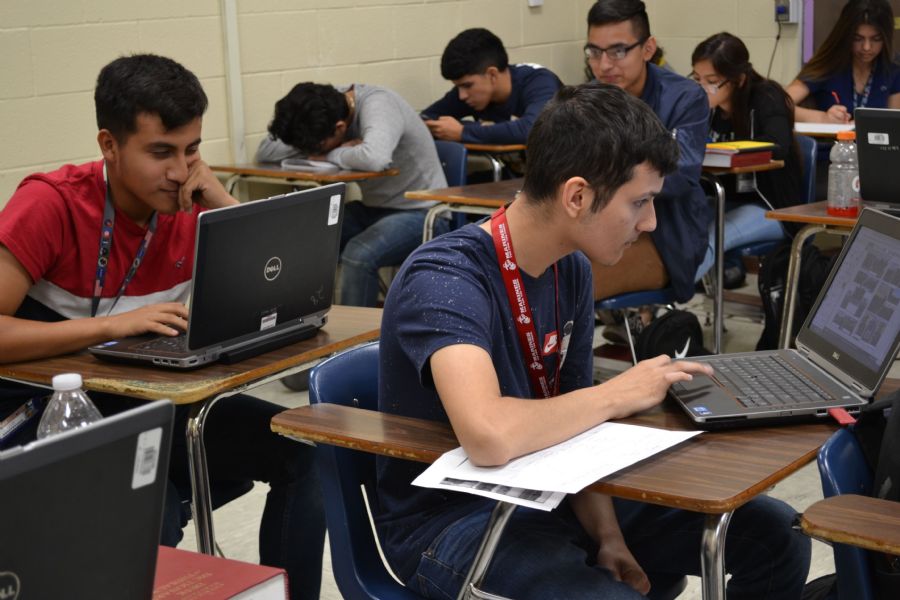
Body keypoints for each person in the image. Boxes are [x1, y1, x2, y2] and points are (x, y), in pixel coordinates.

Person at [374, 81, 811, 600]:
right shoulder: (445, 275)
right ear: (577, 196)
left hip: (554, 489)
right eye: (639, 202)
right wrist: (617, 393)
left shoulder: (572, 269)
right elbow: (488, 435)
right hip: (458, 520)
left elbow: (578, 422)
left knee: (778, 536)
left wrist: (609, 536)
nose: (650, 222)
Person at [0, 55, 324, 600]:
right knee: (155, 506)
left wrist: (222, 204)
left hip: (147, 402)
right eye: (160, 152)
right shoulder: (51, 204)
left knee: (304, 452)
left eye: (191, 149)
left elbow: (285, 292)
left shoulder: (192, 202)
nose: (179, 170)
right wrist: (111, 327)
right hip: (47, 412)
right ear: (109, 145)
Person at [256, 82, 447, 307]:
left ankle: (355, 330)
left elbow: (375, 158)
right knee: (303, 240)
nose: (313, 153)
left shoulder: (378, 103)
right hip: (372, 209)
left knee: (358, 255)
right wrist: (335, 148)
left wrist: (331, 154)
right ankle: (302, 319)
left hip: (424, 212)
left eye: (317, 147)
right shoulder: (319, 107)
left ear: (340, 128)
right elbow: (266, 151)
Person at [585, 0, 709, 304]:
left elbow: (679, 174)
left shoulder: (684, 97)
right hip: (595, 229)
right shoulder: (586, 99)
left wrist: (602, 176)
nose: (604, 65)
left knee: (567, 280)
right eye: (594, 52)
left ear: (648, 48)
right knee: (526, 264)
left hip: (663, 234)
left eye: (618, 51)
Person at [690, 32, 802, 284]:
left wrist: (731, 153)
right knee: (675, 225)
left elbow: (778, 146)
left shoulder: (767, 97)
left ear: (738, 80)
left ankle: (674, 294)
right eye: (697, 79)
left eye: (711, 81)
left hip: (770, 206)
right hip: (721, 199)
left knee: (712, 236)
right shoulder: (708, 108)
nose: (702, 88)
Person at [422, 27, 562, 145]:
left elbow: (532, 130)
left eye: (467, 85)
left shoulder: (540, 82)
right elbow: (425, 118)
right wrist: (474, 129)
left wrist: (463, 132)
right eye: (458, 86)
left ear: (492, 75)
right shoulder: (468, 94)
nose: (462, 95)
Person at [787, 0, 900, 123]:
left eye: (876, 39)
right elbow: (779, 105)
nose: (866, 47)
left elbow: (893, 124)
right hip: (829, 136)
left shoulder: (892, 69)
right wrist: (823, 118)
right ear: (846, 36)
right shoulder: (829, 64)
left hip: (871, 136)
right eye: (858, 39)